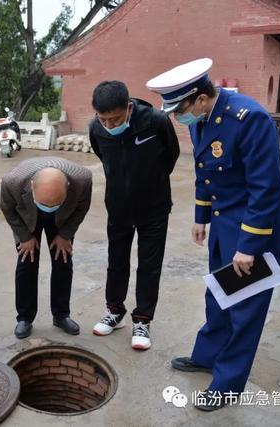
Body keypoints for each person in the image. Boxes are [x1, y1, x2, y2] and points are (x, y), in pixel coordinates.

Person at [146, 58, 280, 411]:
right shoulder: (200, 120)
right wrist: (200, 215)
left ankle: (228, 384)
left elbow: (266, 189)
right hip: (224, 222)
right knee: (218, 296)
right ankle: (208, 356)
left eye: (179, 109)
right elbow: (205, 172)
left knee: (244, 308)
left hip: (258, 229)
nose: (176, 117)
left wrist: (250, 247)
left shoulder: (249, 120)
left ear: (200, 97)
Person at [89, 81, 180, 350]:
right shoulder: (96, 128)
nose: (108, 124)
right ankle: (115, 311)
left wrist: (149, 183)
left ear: (128, 108)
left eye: (114, 119)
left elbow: (170, 156)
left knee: (149, 265)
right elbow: (102, 156)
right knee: (116, 261)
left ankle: (142, 320)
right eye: (102, 119)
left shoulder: (156, 122)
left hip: (154, 208)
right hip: (117, 207)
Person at [0, 157, 92, 338]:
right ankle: (24, 318)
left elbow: (82, 207)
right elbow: (7, 208)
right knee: (27, 262)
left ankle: (61, 315)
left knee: (63, 261)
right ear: (32, 186)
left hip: (62, 218)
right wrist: (25, 237)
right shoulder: (13, 182)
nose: (48, 208)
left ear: (68, 189)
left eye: (54, 203)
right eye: (44, 203)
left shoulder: (82, 180)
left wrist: (65, 234)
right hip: (28, 218)